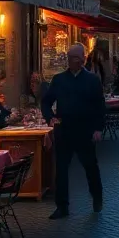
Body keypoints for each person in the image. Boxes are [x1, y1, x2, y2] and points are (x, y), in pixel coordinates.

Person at [42, 42, 105, 219]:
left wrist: (98, 129)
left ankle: (97, 197)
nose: (72, 61)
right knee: (61, 169)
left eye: (76, 58)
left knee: (91, 167)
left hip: (85, 130)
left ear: (83, 59)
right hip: (65, 130)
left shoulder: (92, 80)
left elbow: (100, 106)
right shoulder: (59, 80)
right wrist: (50, 117)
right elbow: (46, 101)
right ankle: (62, 206)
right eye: (70, 58)